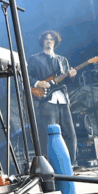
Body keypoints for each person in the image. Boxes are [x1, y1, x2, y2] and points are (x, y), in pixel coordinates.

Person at [28, 30, 79, 163]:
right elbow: (26, 75)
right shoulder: (34, 59)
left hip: (62, 99)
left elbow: (67, 81)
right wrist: (38, 83)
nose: (49, 41)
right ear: (42, 42)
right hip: (46, 100)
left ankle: (72, 164)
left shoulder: (62, 60)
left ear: (55, 42)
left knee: (70, 134)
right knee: (48, 134)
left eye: (51, 39)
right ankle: (50, 165)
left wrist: (72, 76)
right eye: (46, 39)